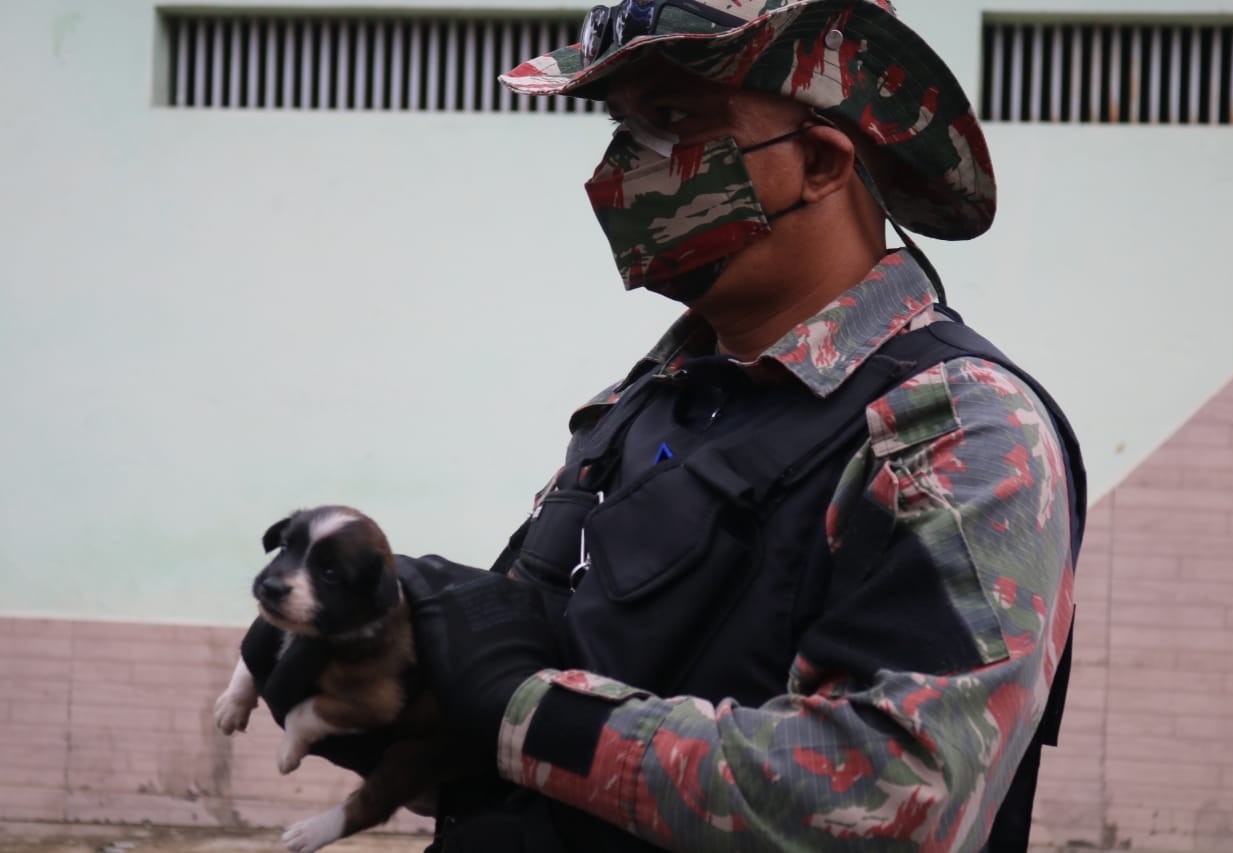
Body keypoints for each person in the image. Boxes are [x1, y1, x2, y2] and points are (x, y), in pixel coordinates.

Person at [259, 1, 1087, 850]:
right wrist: (385, 679)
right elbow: (516, 739)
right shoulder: (644, 403)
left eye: (673, 120)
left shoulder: (957, 431)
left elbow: (893, 799)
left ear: (819, 161)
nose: (625, 167)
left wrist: (525, 712)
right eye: (622, 125)